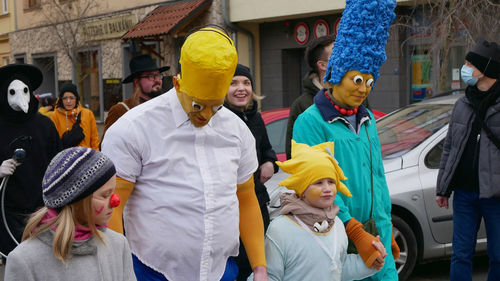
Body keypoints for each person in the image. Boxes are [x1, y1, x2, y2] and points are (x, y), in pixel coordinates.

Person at [102, 26, 268, 281]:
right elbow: (111, 205)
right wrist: (119, 272)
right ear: (178, 82)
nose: (206, 115)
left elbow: (245, 198)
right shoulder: (133, 128)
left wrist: (259, 266)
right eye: (198, 104)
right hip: (151, 272)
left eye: (215, 106)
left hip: (221, 271)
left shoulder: (236, 130)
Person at [292, 0, 399, 280]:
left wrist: (384, 228)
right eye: (357, 80)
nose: (364, 89)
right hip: (339, 239)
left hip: (378, 239)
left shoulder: (368, 119)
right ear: (336, 75)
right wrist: (354, 230)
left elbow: (377, 177)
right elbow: (317, 188)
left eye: (370, 81)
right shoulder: (310, 122)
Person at [251, 140, 385, 281]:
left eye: (331, 182)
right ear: (302, 189)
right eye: (318, 183)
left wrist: (371, 262)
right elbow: (269, 275)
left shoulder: (337, 224)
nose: (327, 188)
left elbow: (339, 267)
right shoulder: (280, 229)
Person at [4, 147, 136, 281]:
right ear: (77, 201)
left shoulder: (118, 245)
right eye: (105, 195)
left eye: (113, 192)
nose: (115, 201)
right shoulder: (25, 260)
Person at [436, 39, 500, 281]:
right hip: (464, 194)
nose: (464, 69)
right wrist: (443, 187)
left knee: (498, 255)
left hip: (496, 195)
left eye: (469, 64)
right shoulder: (463, 103)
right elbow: (450, 147)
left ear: (485, 69)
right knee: (460, 254)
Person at [0, 63, 62, 260]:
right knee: (17, 263)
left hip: (43, 212)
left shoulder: (45, 125)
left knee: (45, 262)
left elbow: (58, 162)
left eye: (24, 91)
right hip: (8, 213)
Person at [224, 64, 279, 280]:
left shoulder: (255, 118)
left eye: (246, 83)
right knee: (235, 264)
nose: (241, 88)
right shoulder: (217, 119)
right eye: (233, 83)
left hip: (256, 202)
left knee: (255, 262)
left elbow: (267, 149)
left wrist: (270, 162)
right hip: (231, 206)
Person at [100, 54, 170, 146]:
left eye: (158, 75)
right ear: (137, 82)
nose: (157, 80)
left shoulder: (165, 107)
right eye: (150, 76)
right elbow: (106, 146)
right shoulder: (120, 110)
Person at [285, 34, 335, 159]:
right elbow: (294, 154)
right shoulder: (302, 105)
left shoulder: (357, 97)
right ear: (323, 65)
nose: (345, 58)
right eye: (337, 54)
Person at [50, 82, 99, 149]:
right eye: (65, 98)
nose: (68, 101)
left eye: (71, 98)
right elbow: (53, 143)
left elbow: (94, 140)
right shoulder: (54, 116)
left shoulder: (88, 114)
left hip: (86, 156)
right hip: (65, 157)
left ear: (76, 99)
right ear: (61, 100)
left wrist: (95, 157)